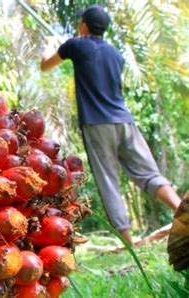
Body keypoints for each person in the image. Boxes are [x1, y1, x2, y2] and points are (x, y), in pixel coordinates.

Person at [40, 4, 181, 246]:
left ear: (83, 25)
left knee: (108, 181)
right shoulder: (116, 55)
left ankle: (128, 244)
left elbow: (45, 65)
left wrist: (50, 45)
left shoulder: (75, 44)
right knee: (149, 173)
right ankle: (182, 209)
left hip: (97, 124)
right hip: (125, 121)